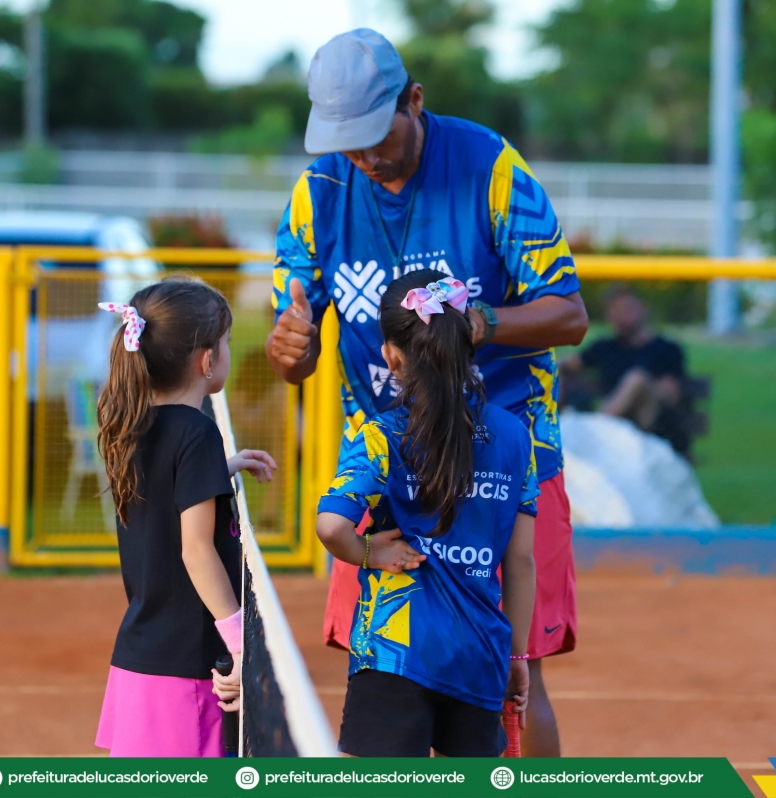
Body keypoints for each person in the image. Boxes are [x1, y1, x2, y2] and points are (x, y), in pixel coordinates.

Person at [267, 29, 586, 757]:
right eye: (347, 145)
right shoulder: (319, 192)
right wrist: (292, 348)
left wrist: (478, 323)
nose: (365, 159)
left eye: (376, 137)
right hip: (388, 459)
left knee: (517, 676)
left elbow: (569, 314)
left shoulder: (489, 168)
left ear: (415, 100)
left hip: (505, 454)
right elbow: (293, 352)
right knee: (384, 665)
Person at [317, 271, 537, 757]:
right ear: (466, 340)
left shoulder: (380, 434)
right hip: (480, 653)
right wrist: (517, 654)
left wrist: (370, 552)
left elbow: (331, 527)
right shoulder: (515, 436)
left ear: (391, 355)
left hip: (393, 652)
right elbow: (521, 560)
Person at [93, 278, 277, 757]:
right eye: (227, 342)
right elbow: (195, 550)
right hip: (187, 670)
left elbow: (165, 493)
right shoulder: (197, 432)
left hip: (141, 655)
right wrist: (239, 643)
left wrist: (220, 469)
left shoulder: (134, 425)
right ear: (207, 360)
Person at [562, 287, 688, 451]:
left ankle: (596, 432)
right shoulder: (605, 347)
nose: (619, 315)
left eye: (626, 309)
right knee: (552, 375)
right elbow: (569, 364)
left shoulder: (666, 349)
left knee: (636, 379)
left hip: (649, 423)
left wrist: (641, 389)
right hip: (615, 421)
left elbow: (670, 394)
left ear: (643, 309)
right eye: (614, 310)